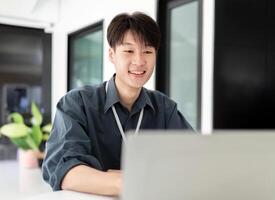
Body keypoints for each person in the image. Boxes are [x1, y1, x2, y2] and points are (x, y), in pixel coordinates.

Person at [42, 12, 193, 196]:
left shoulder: (165, 108)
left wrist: (107, 178)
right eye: (129, 51)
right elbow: (67, 172)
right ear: (112, 55)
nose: (139, 61)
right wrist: (131, 180)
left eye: (147, 51)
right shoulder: (77, 103)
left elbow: (192, 162)